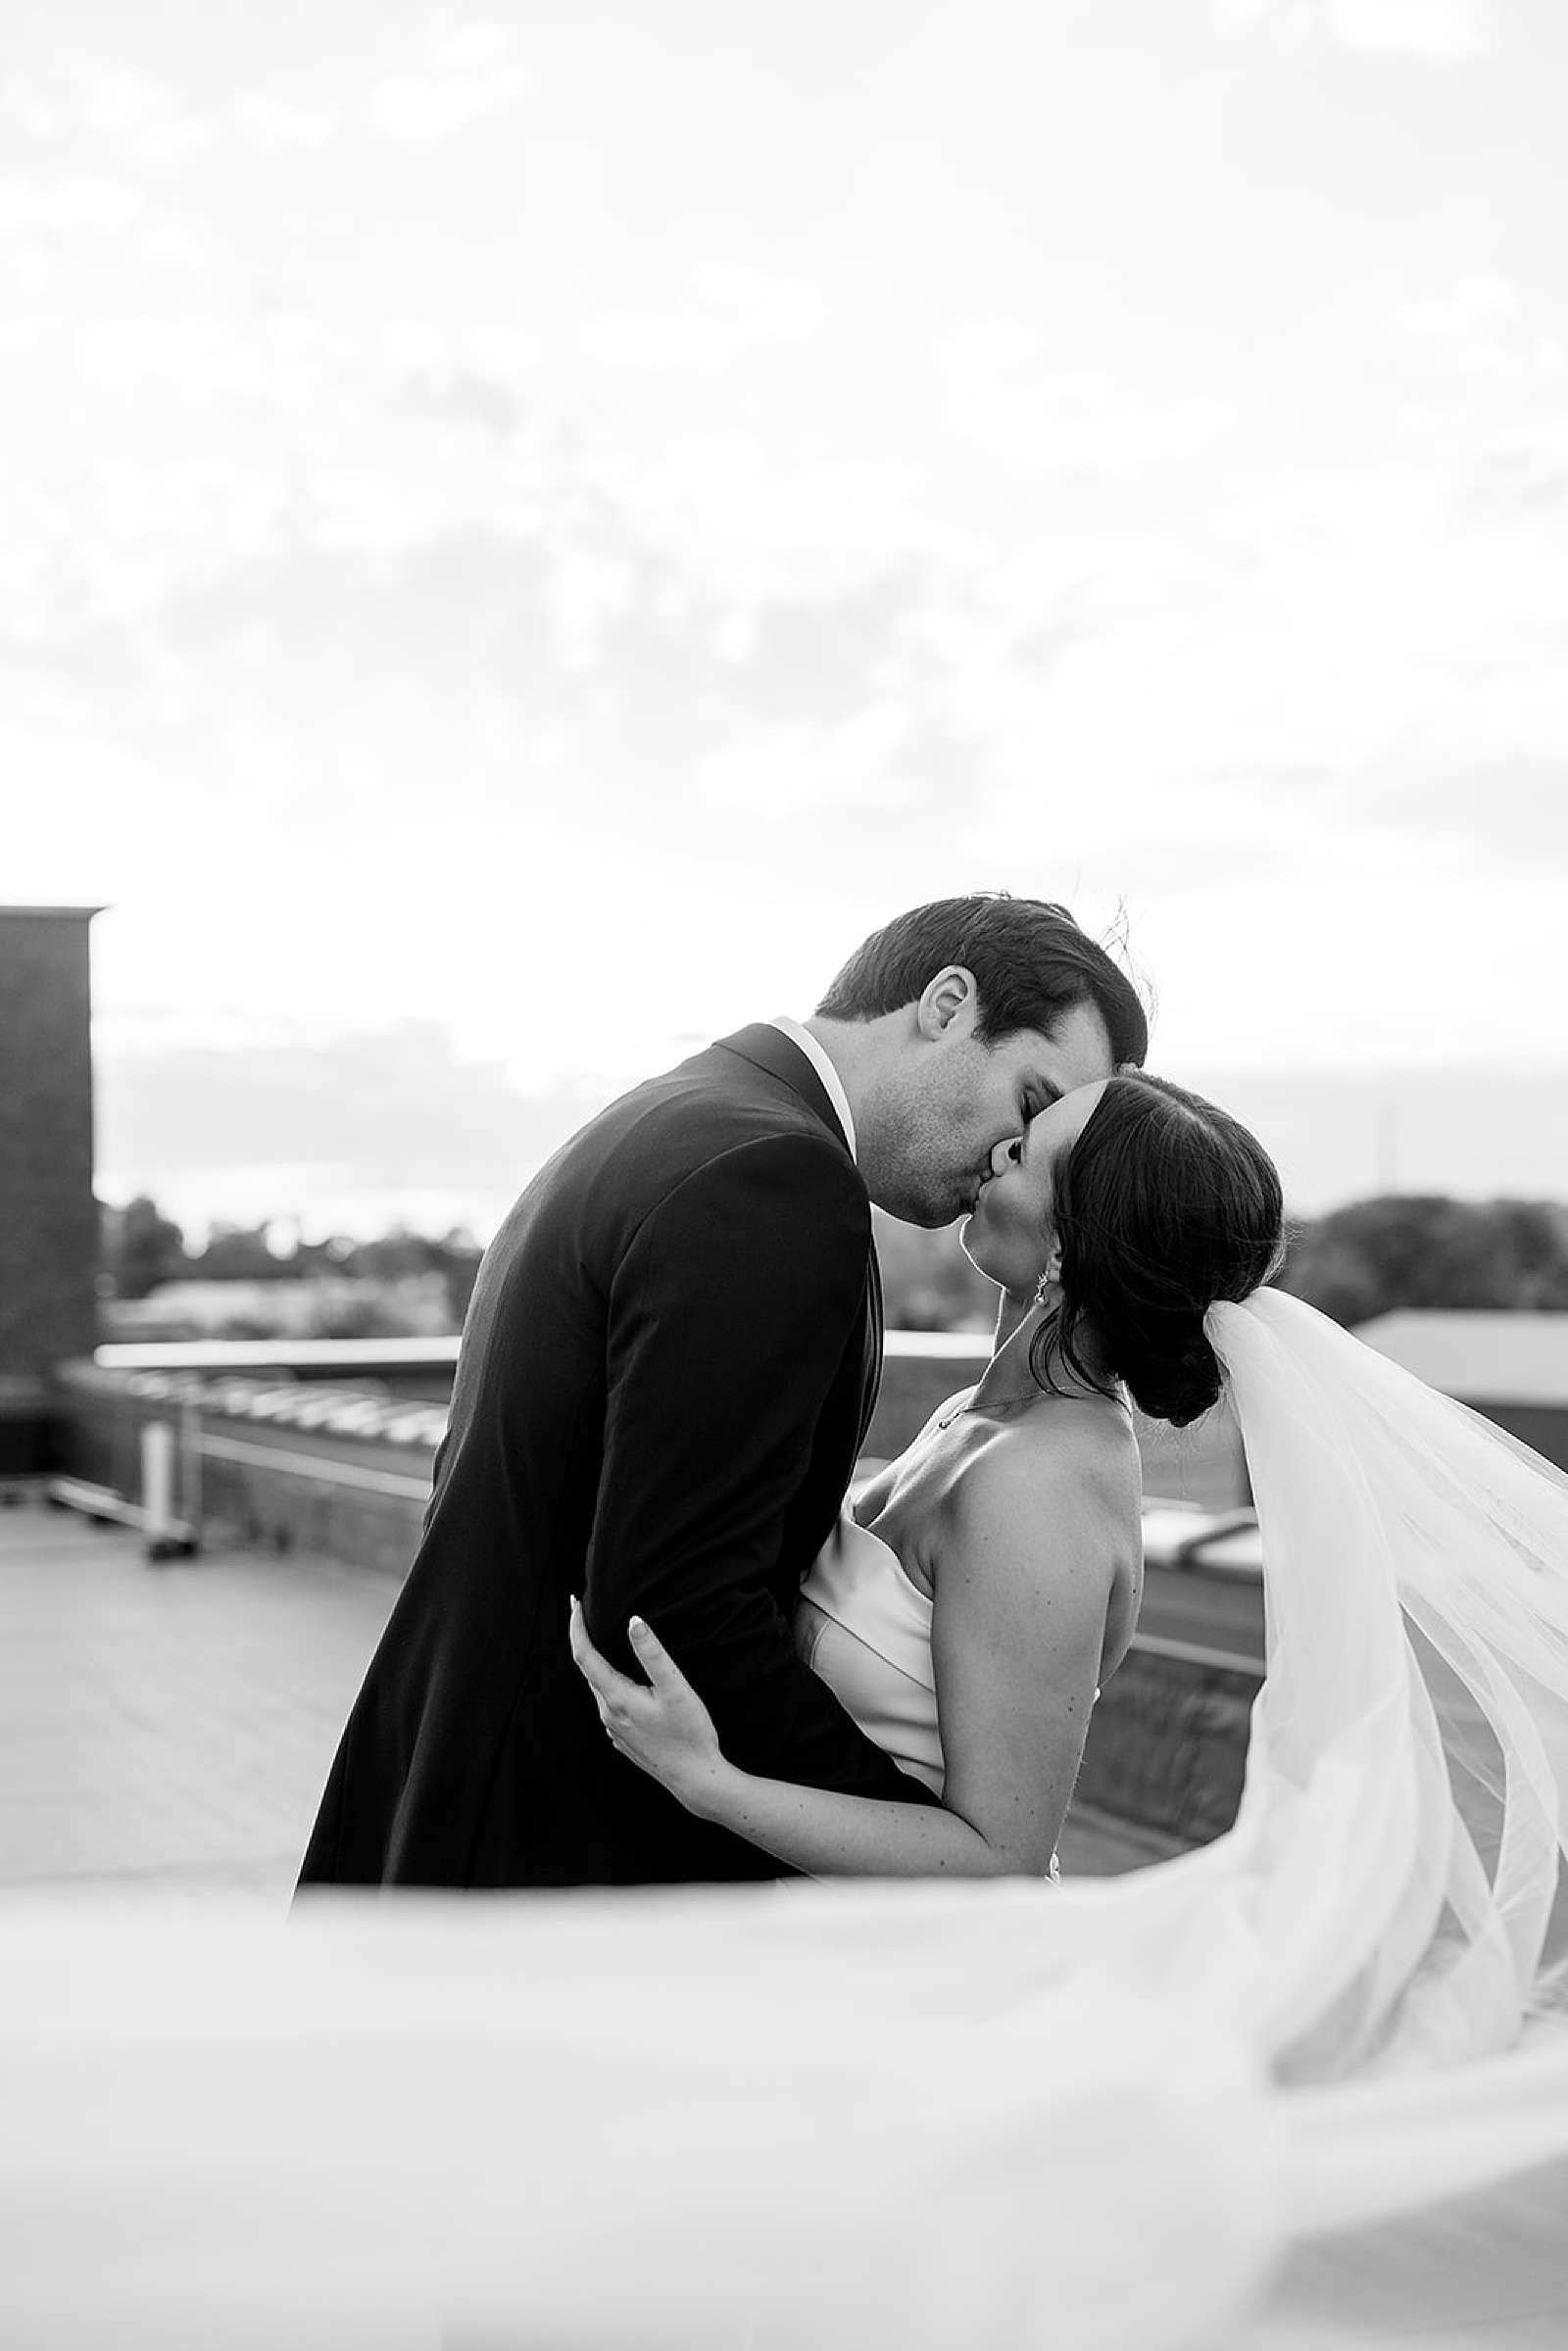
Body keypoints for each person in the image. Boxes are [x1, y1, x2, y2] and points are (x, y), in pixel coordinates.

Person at [296, 893, 1149, 1888]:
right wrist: (938, 1854)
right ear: (947, 1003)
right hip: (561, 1854)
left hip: (459, 1787)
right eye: (1034, 1102)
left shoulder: (682, 1115)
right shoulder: (774, 1180)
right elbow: (678, 1612)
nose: (1012, 1156)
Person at [570, 1071, 1285, 1877]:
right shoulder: (975, 1416)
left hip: (920, 1974)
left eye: (1025, 1152)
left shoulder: (1039, 1487)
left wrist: (709, 1784)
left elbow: (999, 1859)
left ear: (1065, 1247)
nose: (994, 1151)